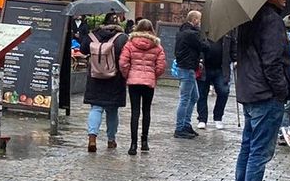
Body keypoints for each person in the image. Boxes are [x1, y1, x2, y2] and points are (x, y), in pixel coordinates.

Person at [232, 0, 290, 181]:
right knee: (259, 151)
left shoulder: (248, 19)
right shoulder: (272, 20)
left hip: (250, 91)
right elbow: (272, 61)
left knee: (248, 148)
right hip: (266, 94)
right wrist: (282, 91)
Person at [119, 18, 166, 154]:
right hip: (148, 82)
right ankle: (144, 142)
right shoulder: (157, 45)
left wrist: (128, 74)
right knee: (146, 111)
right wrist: (153, 75)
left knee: (135, 112)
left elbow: (123, 63)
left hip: (134, 82)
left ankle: (133, 145)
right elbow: (161, 66)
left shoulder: (130, 44)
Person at [83, 13, 128, 152]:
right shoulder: (122, 38)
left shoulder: (93, 35)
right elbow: (126, 57)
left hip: (95, 76)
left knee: (96, 108)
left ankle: (92, 138)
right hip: (115, 78)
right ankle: (111, 139)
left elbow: (83, 49)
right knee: (112, 110)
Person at [173, 10, 204, 139]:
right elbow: (204, 46)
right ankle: (180, 128)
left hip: (186, 66)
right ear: (195, 20)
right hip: (187, 68)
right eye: (199, 20)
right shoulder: (191, 34)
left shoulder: (182, 32)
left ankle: (186, 124)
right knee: (185, 98)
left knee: (194, 96)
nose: (200, 23)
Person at [197, 31, 233, 130]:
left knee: (224, 91)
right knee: (202, 94)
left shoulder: (228, 33)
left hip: (221, 68)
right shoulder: (202, 32)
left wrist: (235, 59)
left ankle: (218, 117)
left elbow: (233, 48)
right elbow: (196, 48)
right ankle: (202, 119)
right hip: (204, 68)